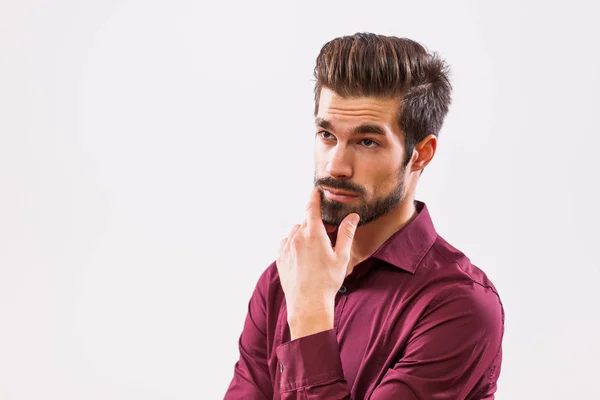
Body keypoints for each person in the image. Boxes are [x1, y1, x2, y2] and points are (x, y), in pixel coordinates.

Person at [224, 32, 504, 399]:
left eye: (367, 142)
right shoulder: (284, 278)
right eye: (327, 135)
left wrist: (309, 315)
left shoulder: (460, 307)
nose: (336, 166)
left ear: (421, 154)